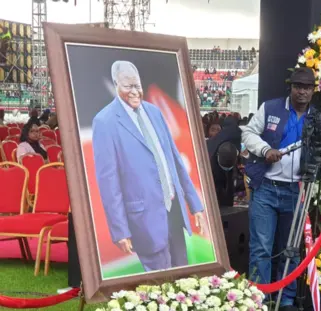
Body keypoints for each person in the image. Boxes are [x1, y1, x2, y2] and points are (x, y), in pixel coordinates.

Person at [92, 60, 206, 272]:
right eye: (128, 86)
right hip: (143, 219)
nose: (135, 92)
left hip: (174, 212)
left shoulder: (154, 112)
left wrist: (195, 204)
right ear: (116, 84)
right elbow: (109, 183)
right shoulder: (105, 122)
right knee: (157, 287)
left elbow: (175, 161)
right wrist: (120, 231)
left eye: (137, 85)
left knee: (183, 277)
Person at [242, 67, 316, 310]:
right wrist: (265, 150)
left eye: (307, 87)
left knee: (291, 250)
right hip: (266, 187)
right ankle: (258, 300)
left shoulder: (317, 116)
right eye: (298, 86)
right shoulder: (270, 107)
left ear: (313, 90)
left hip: (297, 190)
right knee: (261, 248)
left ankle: (285, 300)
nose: (302, 91)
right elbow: (248, 133)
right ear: (290, 87)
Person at [207, 116, 242, 207]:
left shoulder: (214, 143)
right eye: (213, 129)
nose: (215, 132)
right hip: (220, 179)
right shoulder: (234, 136)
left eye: (218, 130)